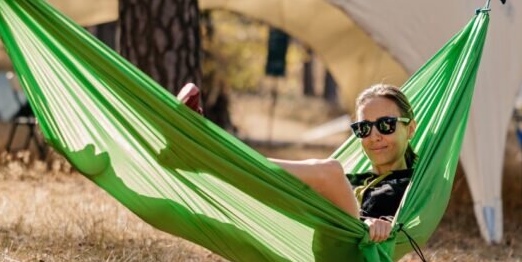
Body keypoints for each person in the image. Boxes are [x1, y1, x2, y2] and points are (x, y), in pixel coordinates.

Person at [177, 82, 416, 242]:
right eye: (364, 128)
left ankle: (207, 153)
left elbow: (410, 219)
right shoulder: (357, 179)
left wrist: (382, 224)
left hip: (350, 252)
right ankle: (196, 159)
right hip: (318, 231)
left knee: (331, 171)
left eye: (386, 125)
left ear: (411, 129)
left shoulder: (415, 183)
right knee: (287, 183)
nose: (374, 136)